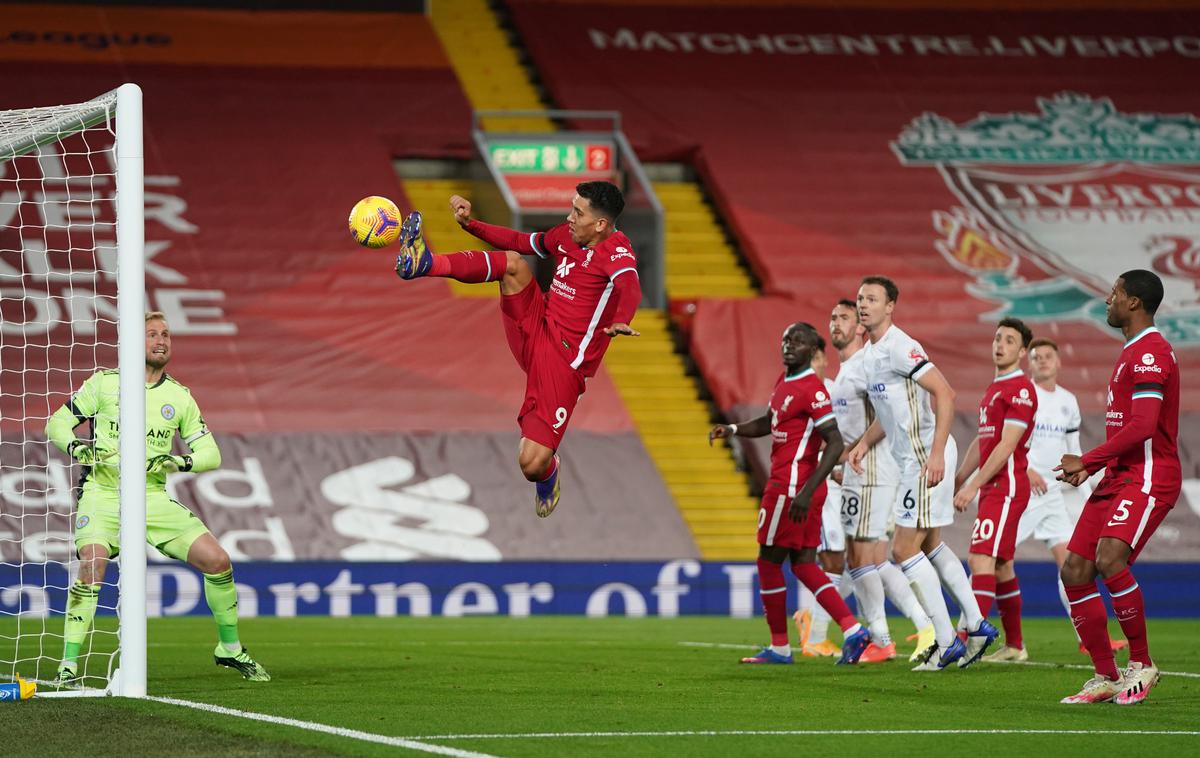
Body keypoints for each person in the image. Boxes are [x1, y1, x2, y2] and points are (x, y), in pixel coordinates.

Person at [46, 312, 269, 684]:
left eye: (166, 334)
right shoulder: (105, 384)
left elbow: (211, 454)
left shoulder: (178, 397)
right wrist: (75, 446)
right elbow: (56, 422)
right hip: (104, 493)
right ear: (134, 341)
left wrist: (178, 460)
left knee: (218, 561)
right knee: (92, 564)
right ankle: (68, 666)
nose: (161, 340)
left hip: (151, 496)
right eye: (151, 334)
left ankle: (229, 649)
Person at [395, 181, 640, 518]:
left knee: (530, 464)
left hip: (564, 362)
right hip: (537, 323)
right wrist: (472, 225)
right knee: (513, 264)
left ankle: (549, 474)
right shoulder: (567, 235)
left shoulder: (617, 253)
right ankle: (425, 263)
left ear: (600, 224)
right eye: (571, 208)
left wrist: (623, 319)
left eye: (577, 212)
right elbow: (522, 242)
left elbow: (630, 287)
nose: (569, 218)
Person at [847, 275, 997, 671]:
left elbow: (945, 393)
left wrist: (935, 454)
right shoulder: (868, 354)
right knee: (930, 543)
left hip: (923, 457)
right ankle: (977, 623)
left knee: (902, 549)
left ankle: (946, 639)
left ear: (890, 306)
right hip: (911, 458)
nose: (863, 304)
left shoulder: (901, 346)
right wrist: (865, 441)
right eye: (861, 298)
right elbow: (889, 411)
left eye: (872, 299)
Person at [709, 323, 870, 665]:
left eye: (798, 341)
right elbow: (771, 421)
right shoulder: (784, 383)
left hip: (791, 488)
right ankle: (853, 630)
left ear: (813, 352)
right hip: (798, 489)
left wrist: (805, 491)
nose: (788, 345)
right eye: (786, 339)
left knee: (768, 563)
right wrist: (734, 429)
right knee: (803, 564)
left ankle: (780, 647)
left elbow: (835, 441)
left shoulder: (812, 389)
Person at [1056, 270, 1180, 706]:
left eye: (1115, 294)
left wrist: (1088, 459)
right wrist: (1096, 468)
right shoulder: (1130, 352)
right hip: (1117, 476)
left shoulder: (1151, 354)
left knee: (1110, 557)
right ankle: (1105, 676)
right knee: (1074, 569)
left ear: (1134, 303)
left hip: (1148, 475)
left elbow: (1144, 426)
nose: (1108, 300)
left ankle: (1142, 664)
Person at [984, 338, 1126, 661]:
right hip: (1025, 489)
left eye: (1048, 356)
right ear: (1029, 363)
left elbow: (1073, 449)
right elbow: (1012, 439)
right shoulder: (1024, 395)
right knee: (992, 558)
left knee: (1071, 565)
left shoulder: (1068, 401)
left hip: (1054, 495)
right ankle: (974, 632)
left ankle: (1087, 638)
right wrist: (1029, 468)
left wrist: (1089, 492)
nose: (1043, 361)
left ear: (1059, 362)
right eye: (1036, 357)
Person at [826, 298, 934, 663]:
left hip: (872, 469)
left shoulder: (865, 366)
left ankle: (890, 636)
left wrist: (855, 452)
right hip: (859, 470)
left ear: (859, 326)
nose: (836, 323)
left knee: (861, 556)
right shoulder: (846, 370)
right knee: (868, 557)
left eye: (844, 317)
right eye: (833, 317)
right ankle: (910, 628)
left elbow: (886, 416)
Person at [953, 319, 1038, 664]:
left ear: (1022, 352)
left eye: (1009, 340)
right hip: (994, 487)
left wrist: (974, 485)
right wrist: (961, 476)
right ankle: (1015, 645)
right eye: (997, 337)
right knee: (1001, 566)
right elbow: (984, 439)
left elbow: (1006, 446)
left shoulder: (1020, 389)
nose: (1000, 344)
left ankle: (971, 641)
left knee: (979, 558)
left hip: (1006, 487)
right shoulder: (994, 389)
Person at [793, 347, 854, 658]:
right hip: (823, 488)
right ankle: (815, 635)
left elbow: (838, 439)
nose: (814, 364)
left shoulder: (832, 391)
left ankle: (812, 619)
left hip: (842, 485)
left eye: (817, 359)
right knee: (833, 561)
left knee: (856, 564)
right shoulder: (792, 391)